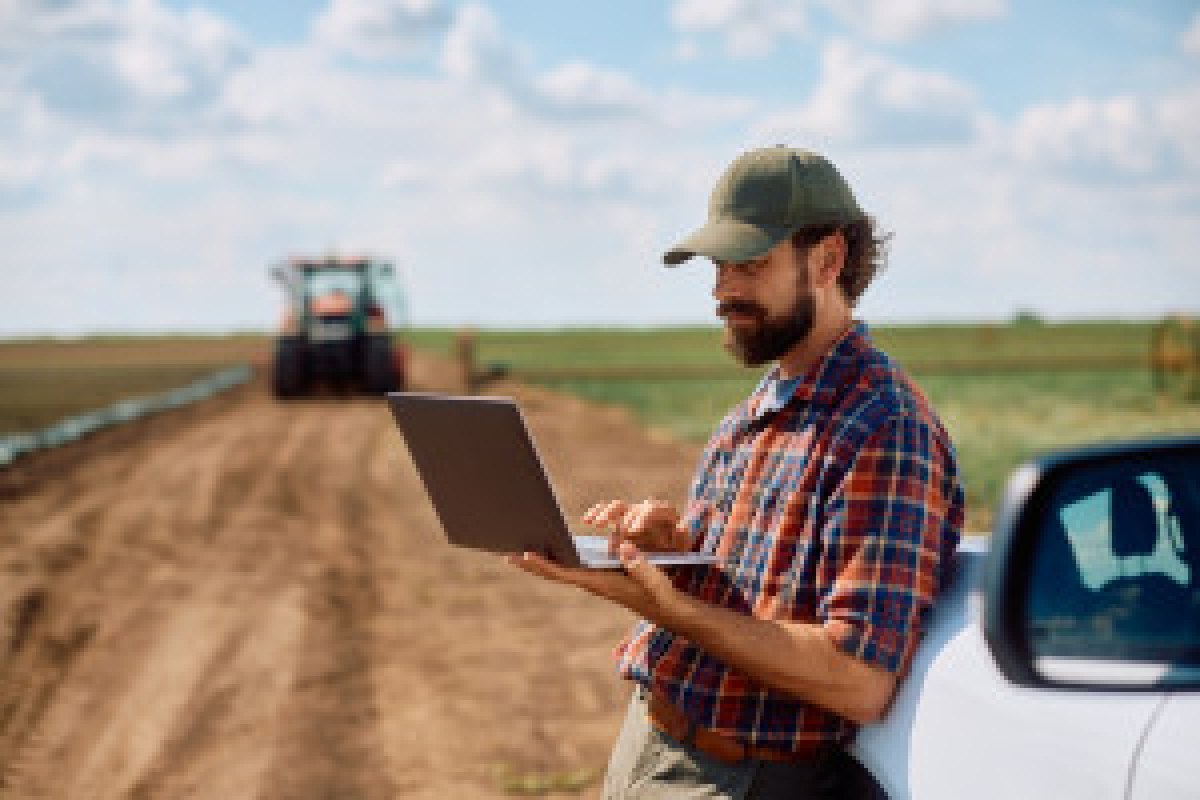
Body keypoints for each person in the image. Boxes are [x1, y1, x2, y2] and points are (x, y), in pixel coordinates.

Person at [510, 145, 965, 799]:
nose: (722, 292)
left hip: (738, 778)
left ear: (828, 260)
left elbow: (858, 680)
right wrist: (671, 552)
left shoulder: (885, 428)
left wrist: (668, 607)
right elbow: (740, 599)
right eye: (719, 267)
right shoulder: (753, 412)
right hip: (650, 743)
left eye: (749, 265)